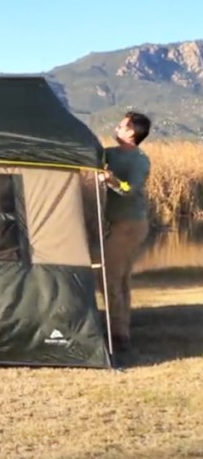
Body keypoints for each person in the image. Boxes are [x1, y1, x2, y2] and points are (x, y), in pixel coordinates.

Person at [98, 111, 152, 355]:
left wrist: (111, 181)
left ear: (132, 132)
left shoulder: (140, 161)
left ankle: (117, 335)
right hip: (118, 224)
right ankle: (122, 332)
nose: (117, 128)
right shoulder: (110, 153)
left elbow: (130, 189)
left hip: (130, 225)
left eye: (121, 126)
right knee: (119, 279)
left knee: (109, 277)